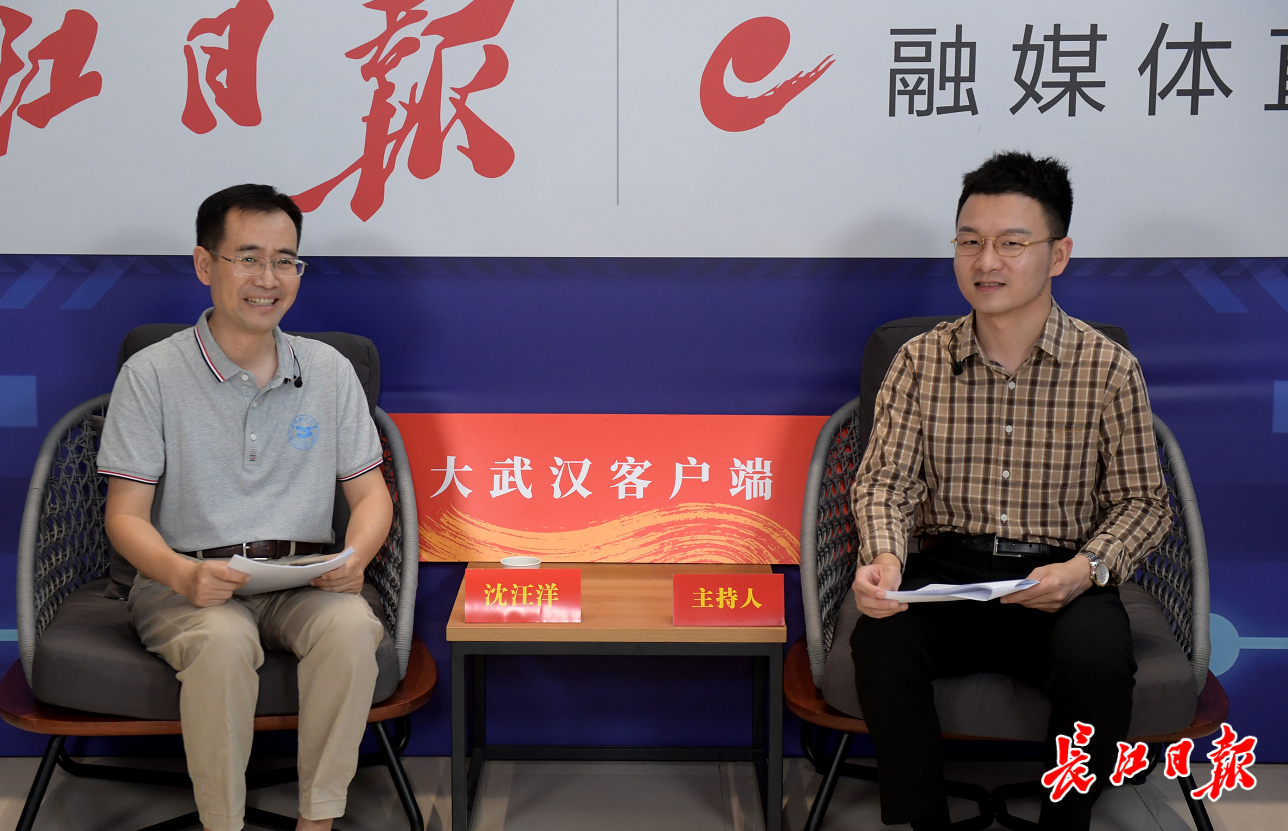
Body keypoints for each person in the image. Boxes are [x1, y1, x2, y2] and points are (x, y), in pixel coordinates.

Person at [848, 152, 1170, 831]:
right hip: (947, 571)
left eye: (1011, 243)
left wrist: (1085, 569)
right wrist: (886, 557)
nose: (985, 261)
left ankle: (1066, 823)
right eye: (970, 241)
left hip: (1060, 576)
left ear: (1059, 254)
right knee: (881, 642)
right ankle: (925, 823)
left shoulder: (1108, 368)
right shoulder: (920, 360)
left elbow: (1144, 502)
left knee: (1096, 660)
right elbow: (884, 481)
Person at [98, 184, 394, 831]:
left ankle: (318, 820)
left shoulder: (329, 370)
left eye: (285, 261)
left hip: (301, 579)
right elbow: (124, 514)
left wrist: (356, 558)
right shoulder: (151, 374)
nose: (269, 279)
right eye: (249, 258)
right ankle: (223, 824)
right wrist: (182, 574)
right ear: (205, 265)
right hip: (186, 581)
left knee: (351, 628)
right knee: (223, 640)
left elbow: (371, 494)